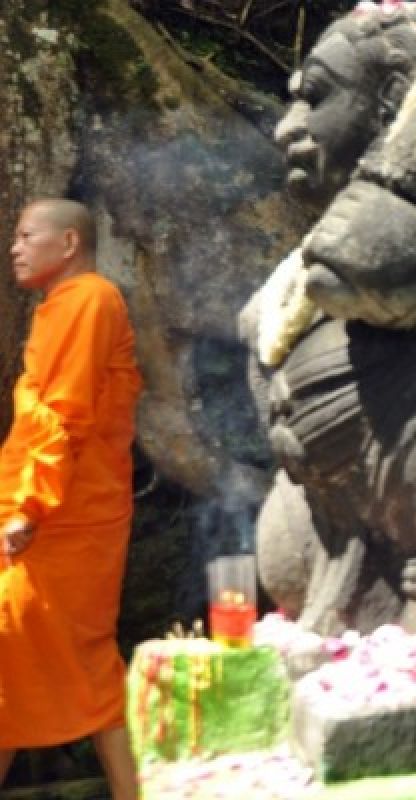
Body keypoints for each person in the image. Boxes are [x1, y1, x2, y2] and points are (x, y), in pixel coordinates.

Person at [0, 199, 142, 799]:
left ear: (69, 243)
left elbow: (66, 412)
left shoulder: (90, 298)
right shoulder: (63, 305)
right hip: (53, 511)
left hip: (64, 518)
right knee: (35, 656)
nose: (15, 247)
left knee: (39, 647)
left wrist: (29, 507)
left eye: (27, 234)